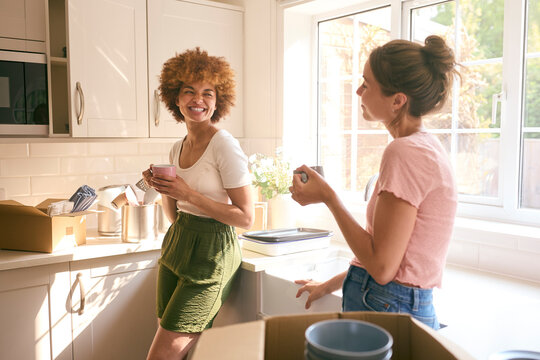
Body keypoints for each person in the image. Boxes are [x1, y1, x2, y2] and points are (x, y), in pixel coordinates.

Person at [290, 35, 459, 330]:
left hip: (386, 303)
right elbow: (394, 260)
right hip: (392, 302)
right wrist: (331, 284)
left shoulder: (404, 152)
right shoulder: (426, 148)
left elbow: (383, 269)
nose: (357, 91)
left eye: (366, 84)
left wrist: (328, 196)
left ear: (398, 101)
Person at [143, 47, 254, 360]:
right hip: (177, 245)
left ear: (218, 101)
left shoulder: (224, 144)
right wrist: (164, 187)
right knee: (175, 353)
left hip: (212, 253)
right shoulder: (176, 148)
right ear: (175, 99)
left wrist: (188, 193)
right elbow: (175, 215)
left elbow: (246, 218)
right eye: (189, 91)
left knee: (161, 356)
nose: (198, 100)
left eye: (208, 93)